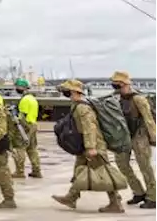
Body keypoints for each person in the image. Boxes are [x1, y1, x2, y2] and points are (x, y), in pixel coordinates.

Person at [53, 79, 126, 213]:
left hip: (95, 146)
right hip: (87, 145)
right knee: (79, 170)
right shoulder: (77, 105)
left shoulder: (83, 107)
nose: (64, 92)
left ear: (74, 91)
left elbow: (89, 128)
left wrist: (91, 147)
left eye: (66, 90)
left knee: (105, 174)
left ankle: (115, 202)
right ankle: (71, 197)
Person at [112, 70, 157, 208]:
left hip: (140, 135)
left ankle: (152, 196)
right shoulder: (118, 99)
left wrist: (154, 137)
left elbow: (149, 119)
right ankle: (138, 192)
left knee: (145, 166)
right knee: (122, 164)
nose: (115, 87)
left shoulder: (138, 99)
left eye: (117, 84)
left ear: (124, 83)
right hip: (125, 136)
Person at [12, 78, 43, 178]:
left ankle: (19, 172)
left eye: (17, 87)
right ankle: (36, 170)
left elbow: (22, 116)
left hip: (25, 126)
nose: (16, 88)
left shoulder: (24, 100)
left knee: (20, 148)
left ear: (22, 87)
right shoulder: (33, 98)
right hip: (33, 125)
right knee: (32, 149)